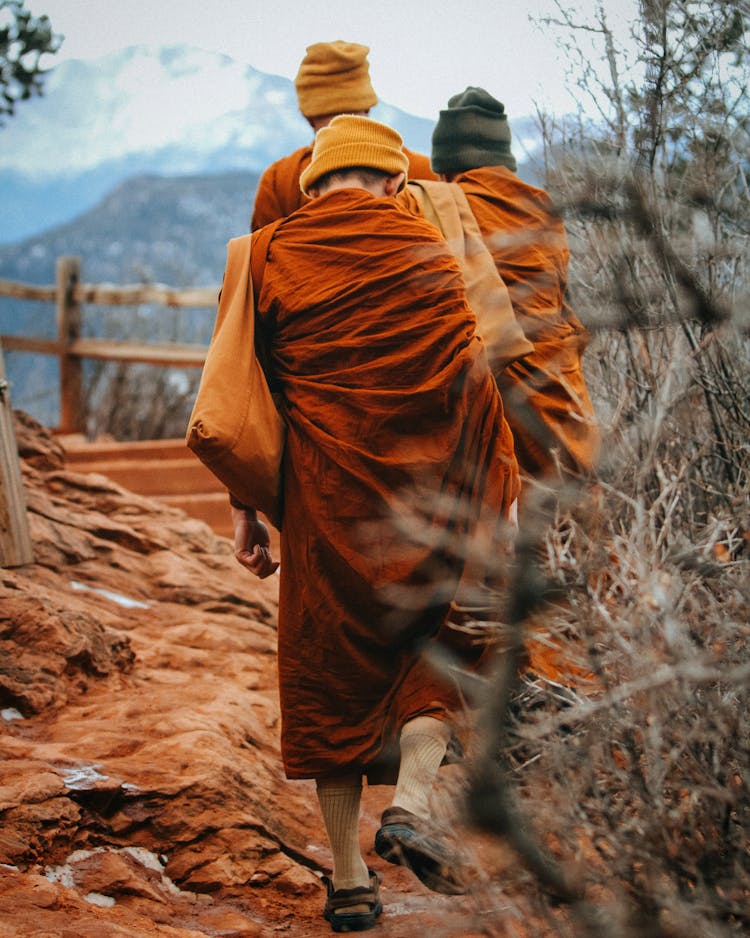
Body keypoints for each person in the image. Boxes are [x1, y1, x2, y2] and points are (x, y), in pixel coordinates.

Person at [232, 114, 519, 932]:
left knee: (332, 676)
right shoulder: (434, 244)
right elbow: (481, 379)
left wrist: (246, 507)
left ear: (313, 180)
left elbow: (242, 401)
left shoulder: (271, 254)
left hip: (324, 507)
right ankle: (416, 801)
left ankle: (352, 881)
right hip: (436, 497)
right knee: (444, 644)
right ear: (396, 181)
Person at [401, 86, 599, 482]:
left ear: (446, 167)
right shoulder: (544, 208)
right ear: (505, 162)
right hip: (563, 399)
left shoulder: (434, 208)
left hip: (484, 401)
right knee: (569, 523)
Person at [250, 40, 436, 231]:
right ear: (368, 105)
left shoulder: (279, 181)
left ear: (307, 116)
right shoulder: (426, 173)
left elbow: (261, 255)